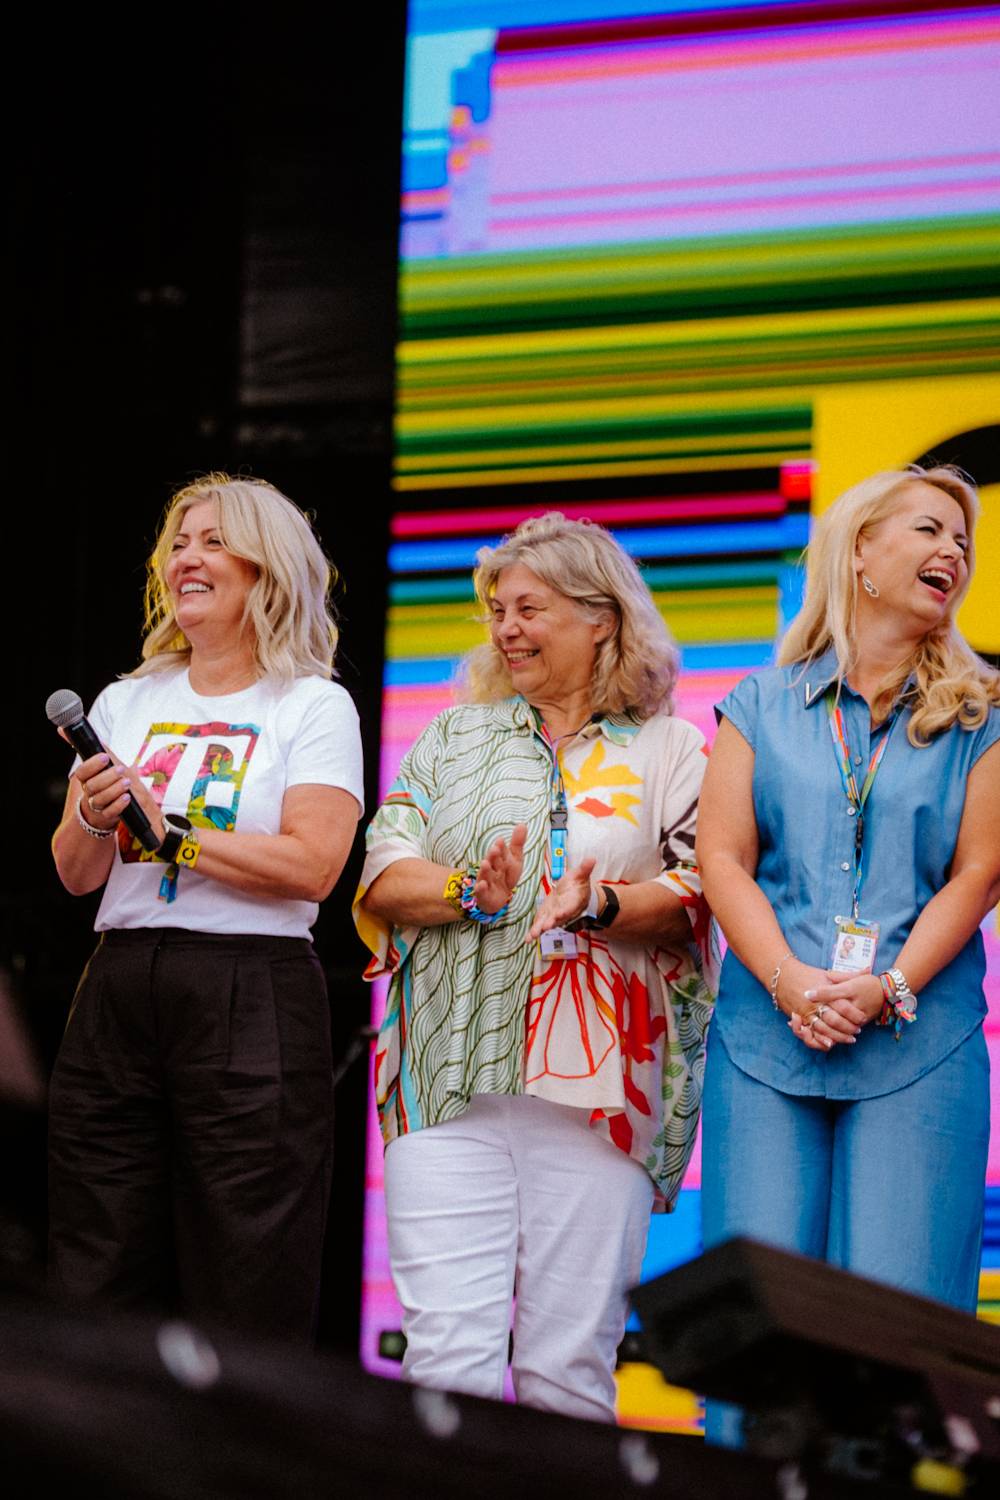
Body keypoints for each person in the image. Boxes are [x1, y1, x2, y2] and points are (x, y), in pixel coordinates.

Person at [354, 513, 716, 1421]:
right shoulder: (450, 740)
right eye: (496, 611)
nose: (506, 628)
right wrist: (473, 889)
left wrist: (600, 905)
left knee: (568, 1369)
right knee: (446, 1361)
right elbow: (382, 870)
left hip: (602, 1095)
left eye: (529, 607)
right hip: (445, 1081)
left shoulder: (673, 749)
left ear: (602, 617)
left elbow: (701, 889)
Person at [48, 474, 364, 1340]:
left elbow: (315, 865)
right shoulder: (127, 699)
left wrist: (174, 836)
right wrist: (90, 813)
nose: (188, 557)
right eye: (179, 544)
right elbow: (77, 876)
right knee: (96, 1257)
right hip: (119, 983)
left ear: (267, 569)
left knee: (248, 1267)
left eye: (214, 542)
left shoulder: (312, 704)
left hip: (248, 989)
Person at [697, 465, 1000, 1320]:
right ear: (861, 551)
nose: (955, 550)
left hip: (919, 1045)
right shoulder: (759, 703)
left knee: (900, 1322)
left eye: (963, 541)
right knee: (757, 1324)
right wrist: (792, 984)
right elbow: (722, 860)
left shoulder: (985, 716)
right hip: (764, 1043)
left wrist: (886, 987)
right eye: (931, 529)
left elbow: (979, 875)